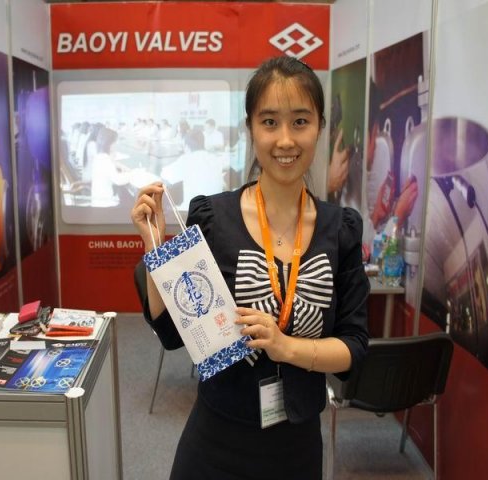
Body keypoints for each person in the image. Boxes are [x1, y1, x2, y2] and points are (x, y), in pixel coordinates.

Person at [131, 56, 369, 480]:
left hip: (295, 449)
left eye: (300, 121)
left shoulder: (340, 230)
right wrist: (155, 245)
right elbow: (170, 333)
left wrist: (285, 347)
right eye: (270, 122)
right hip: (215, 443)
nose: (285, 140)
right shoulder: (214, 218)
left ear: (319, 126)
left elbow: (353, 349)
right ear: (250, 128)